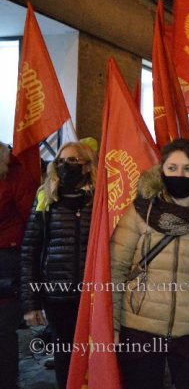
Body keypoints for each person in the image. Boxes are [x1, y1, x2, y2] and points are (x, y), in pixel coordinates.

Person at [110, 139, 189, 389]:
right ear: (162, 171)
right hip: (139, 327)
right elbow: (115, 269)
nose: (180, 175)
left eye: (188, 169)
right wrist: (113, 325)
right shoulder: (139, 212)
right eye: (172, 168)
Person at [21, 141, 97, 388]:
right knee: (65, 355)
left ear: (87, 166)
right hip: (57, 296)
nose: (65, 165)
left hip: (93, 295)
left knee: (97, 354)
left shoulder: (99, 199)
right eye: (61, 161)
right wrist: (31, 303)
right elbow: (30, 252)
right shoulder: (46, 198)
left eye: (73, 160)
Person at [0, 142, 39, 389]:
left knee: (3, 329)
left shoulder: (17, 176)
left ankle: (6, 381)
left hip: (8, 260)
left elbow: (32, 220)